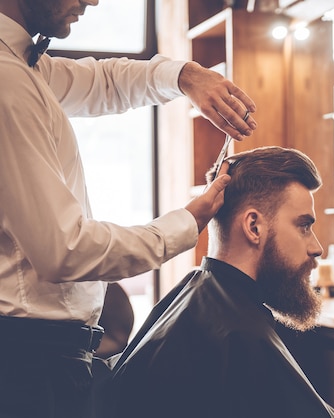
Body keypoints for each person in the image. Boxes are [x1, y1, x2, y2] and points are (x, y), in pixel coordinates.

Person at [0, 1, 257, 417]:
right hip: (27, 366)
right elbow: (64, 250)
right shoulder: (6, 82)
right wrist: (186, 223)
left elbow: (102, 81)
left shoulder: (22, 65)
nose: (93, 1)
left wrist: (184, 76)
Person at [109, 146, 334, 418]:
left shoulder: (190, 297)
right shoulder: (240, 335)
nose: (317, 247)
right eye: (304, 226)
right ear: (254, 227)